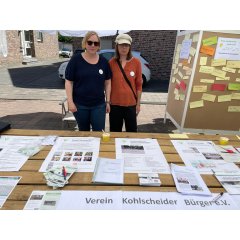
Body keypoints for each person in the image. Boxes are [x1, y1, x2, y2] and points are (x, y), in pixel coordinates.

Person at [65, 31, 111, 131]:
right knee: (83, 133)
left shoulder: (104, 62)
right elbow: (68, 82)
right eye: (90, 42)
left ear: (99, 46)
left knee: (99, 133)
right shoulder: (75, 60)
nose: (92, 45)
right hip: (80, 105)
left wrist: (107, 102)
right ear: (85, 43)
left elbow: (108, 82)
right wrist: (70, 101)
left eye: (96, 43)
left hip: (98, 105)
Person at [109, 33, 142, 132]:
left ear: (129, 47)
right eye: (121, 45)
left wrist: (138, 104)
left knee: (132, 132)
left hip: (131, 104)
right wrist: (107, 101)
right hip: (114, 104)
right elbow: (108, 84)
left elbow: (139, 85)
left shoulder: (136, 62)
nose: (124, 47)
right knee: (115, 132)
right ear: (117, 46)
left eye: (126, 45)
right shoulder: (111, 63)